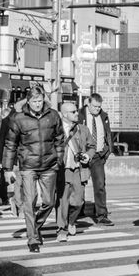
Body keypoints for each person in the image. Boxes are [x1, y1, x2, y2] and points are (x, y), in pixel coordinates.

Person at [1, 84, 65, 253]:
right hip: (28, 165)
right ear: (28, 101)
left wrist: (59, 158)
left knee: (49, 202)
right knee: (29, 202)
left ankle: (35, 225)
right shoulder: (18, 118)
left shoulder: (53, 115)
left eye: (40, 100)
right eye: (34, 101)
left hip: (49, 165)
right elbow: (10, 144)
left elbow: (60, 138)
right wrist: (7, 169)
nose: (37, 103)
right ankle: (33, 239)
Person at [56, 100, 96, 243]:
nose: (76, 113)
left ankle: (71, 221)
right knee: (62, 201)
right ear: (65, 114)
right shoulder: (57, 128)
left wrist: (88, 155)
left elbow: (92, 146)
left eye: (76, 111)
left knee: (78, 202)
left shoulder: (82, 129)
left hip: (79, 169)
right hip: (62, 169)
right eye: (73, 112)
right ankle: (62, 229)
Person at [81, 93, 114, 228]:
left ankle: (101, 214)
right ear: (88, 103)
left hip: (98, 156)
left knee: (100, 185)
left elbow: (108, 134)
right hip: (82, 155)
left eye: (99, 107)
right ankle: (77, 210)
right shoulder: (79, 115)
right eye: (94, 106)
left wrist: (107, 150)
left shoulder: (103, 116)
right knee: (79, 185)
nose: (97, 109)